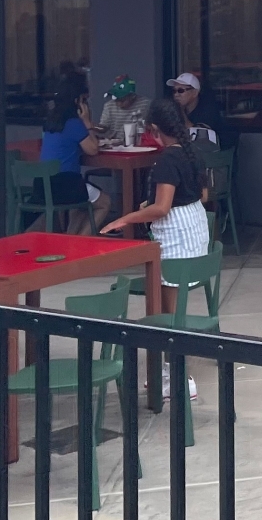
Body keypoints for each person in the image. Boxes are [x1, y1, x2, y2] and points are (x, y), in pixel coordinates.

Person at [102, 99, 208, 397]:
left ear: (154, 129)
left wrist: (125, 218)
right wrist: (149, 205)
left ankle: (180, 377)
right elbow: (202, 194)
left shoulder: (167, 161)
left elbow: (161, 208)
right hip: (194, 229)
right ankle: (167, 372)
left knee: (168, 313)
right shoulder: (192, 152)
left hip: (175, 237)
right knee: (168, 307)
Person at [39, 90, 110, 232]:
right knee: (104, 203)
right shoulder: (74, 123)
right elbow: (93, 149)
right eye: (84, 101)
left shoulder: (51, 123)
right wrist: (87, 123)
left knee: (81, 201)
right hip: (65, 185)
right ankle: (82, 240)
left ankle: (71, 239)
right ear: (78, 102)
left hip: (44, 185)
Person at [95, 74, 150, 145]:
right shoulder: (109, 106)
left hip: (139, 143)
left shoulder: (145, 104)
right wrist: (92, 126)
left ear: (132, 96)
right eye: (116, 99)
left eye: (122, 100)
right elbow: (104, 127)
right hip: (114, 144)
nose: (118, 103)